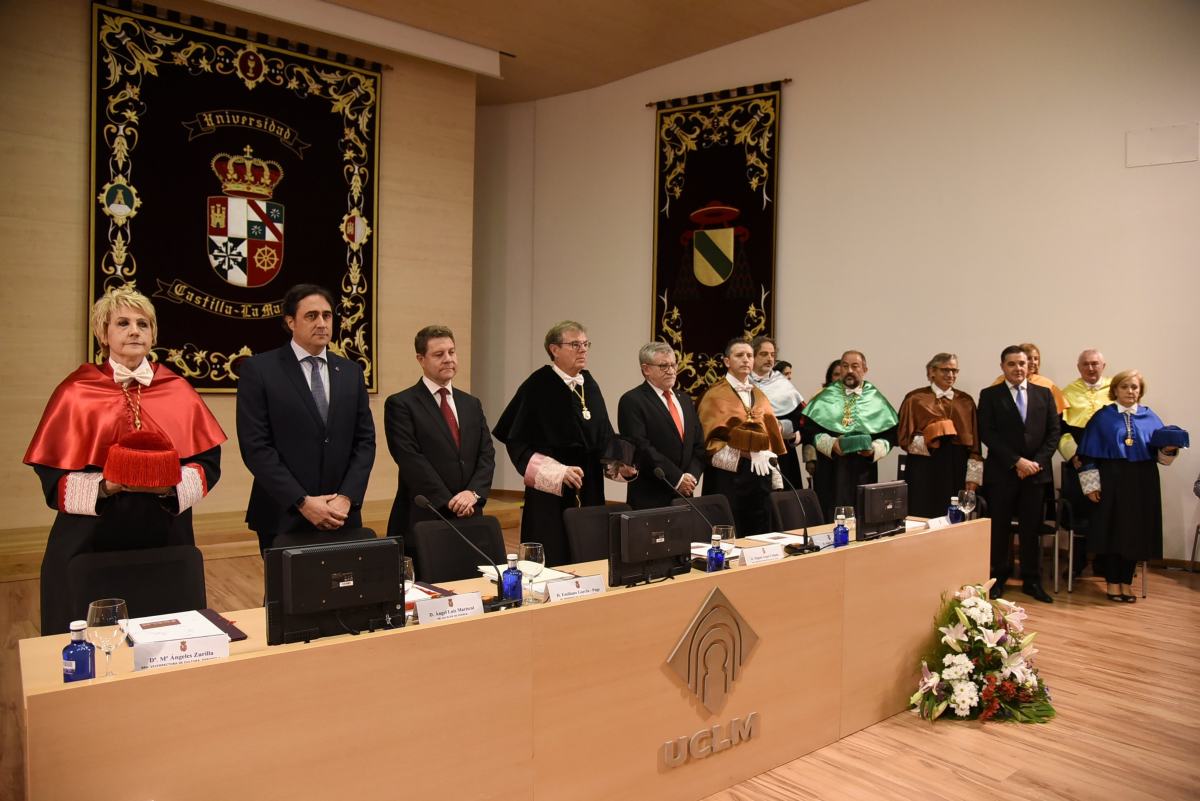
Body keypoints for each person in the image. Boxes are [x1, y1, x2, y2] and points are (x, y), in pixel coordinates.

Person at [24, 286, 226, 634]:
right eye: (123, 323)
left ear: (153, 335)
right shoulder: (75, 391)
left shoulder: (177, 388)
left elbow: (208, 462)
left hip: (163, 535)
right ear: (103, 334)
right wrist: (106, 486)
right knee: (89, 636)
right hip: (91, 538)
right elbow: (51, 472)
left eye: (143, 324)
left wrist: (169, 486)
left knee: (166, 633)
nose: (135, 330)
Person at [236, 284, 376, 552]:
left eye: (327, 315)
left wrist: (346, 497)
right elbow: (256, 446)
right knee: (287, 593)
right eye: (311, 316)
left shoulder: (350, 371)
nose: (322, 323)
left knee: (345, 591)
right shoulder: (260, 370)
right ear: (291, 322)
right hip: (283, 513)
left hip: (341, 513)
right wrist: (302, 501)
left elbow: (365, 441)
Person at [494, 321, 631, 566]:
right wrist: (558, 472)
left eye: (586, 344)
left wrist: (622, 464)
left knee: (589, 553)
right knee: (555, 551)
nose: (583, 350)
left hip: (589, 486)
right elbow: (518, 443)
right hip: (552, 493)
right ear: (554, 349)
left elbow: (604, 434)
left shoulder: (588, 384)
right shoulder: (538, 385)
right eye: (575, 344)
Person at [1078, 370, 1186, 602]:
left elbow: (1162, 456)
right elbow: (1087, 455)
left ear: (1140, 391)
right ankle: (1112, 582)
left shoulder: (1150, 417)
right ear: (1115, 389)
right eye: (1125, 386)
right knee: (1113, 532)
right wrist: (1090, 486)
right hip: (1111, 480)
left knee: (1135, 533)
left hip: (1142, 481)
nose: (1130, 391)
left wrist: (1168, 449)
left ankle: (1126, 582)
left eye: (1134, 387)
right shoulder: (1103, 417)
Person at [384, 325, 495, 548]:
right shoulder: (402, 404)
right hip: (425, 514)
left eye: (451, 352)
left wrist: (473, 494)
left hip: (470, 513)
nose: (448, 359)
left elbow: (486, 454)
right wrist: (450, 502)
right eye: (438, 354)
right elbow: (410, 460)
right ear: (420, 359)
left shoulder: (471, 403)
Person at [977, 345, 1060, 603]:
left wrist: (1035, 463)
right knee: (1000, 528)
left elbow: (1053, 434)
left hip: (1035, 475)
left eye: (1022, 363)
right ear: (1002, 367)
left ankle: (1031, 580)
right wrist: (1016, 462)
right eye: (1012, 364)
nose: (1018, 368)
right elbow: (987, 433)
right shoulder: (990, 395)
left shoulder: (1045, 394)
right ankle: (998, 577)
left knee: (1030, 529)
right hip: (1002, 473)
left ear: (1030, 366)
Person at [697, 338, 786, 536]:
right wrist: (745, 453)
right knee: (729, 532)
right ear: (727, 361)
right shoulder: (713, 395)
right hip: (728, 478)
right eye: (739, 355)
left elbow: (771, 435)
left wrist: (772, 468)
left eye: (749, 356)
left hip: (759, 476)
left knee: (760, 532)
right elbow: (708, 442)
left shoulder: (760, 395)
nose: (746, 360)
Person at [801, 350, 898, 522]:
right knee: (830, 514)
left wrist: (874, 450)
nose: (849, 370)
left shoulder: (876, 399)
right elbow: (809, 431)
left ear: (865, 369)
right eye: (845, 366)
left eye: (855, 366)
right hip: (830, 469)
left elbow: (890, 435)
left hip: (863, 469)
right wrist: (831, 444)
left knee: (863, 514)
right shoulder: (824, 397)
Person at [617, 342, 706, 510]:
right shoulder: (632, 401)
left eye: (673, 364)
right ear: (646, 369)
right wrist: (677, 479)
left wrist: (690, 478)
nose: (671, 371)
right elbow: (641, 447)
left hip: (685, 496)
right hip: (650, 497)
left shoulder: (685, 400)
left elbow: (699, 445)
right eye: (663, 366)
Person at [896, 353, 982, 517]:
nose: (951, 375)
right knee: (920, 514)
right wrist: (931, 439)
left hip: (956, 465)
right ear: (931, 372)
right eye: (945, 370)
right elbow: (903, 438)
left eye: (955, 371)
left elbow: (975, 446)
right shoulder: (915, 399)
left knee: (953, 516)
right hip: (923, 466)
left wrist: (973, 479)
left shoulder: (966, 401)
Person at [1057, 349, 1112, 576]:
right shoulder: (1067, 392)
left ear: (1103, 365)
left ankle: (1105, 562)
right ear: (1078, 367)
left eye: (1095, 364)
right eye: (1086, 364)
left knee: (1108, 510)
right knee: (1080, 512)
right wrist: (1073, 456)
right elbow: (1060, 431)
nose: (1091, 368)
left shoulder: (1115, 389)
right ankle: (1077, 560)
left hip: (1108, 459)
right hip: (1079, 459)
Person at [748, 336, 806, 490]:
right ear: (752, 356)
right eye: (764, 354)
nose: (769, 358)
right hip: (753, 454)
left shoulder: (784, 384)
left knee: (784, 505)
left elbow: (799, 420)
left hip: (783, 453)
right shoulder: (743, 383)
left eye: (772, 355)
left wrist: (781, 427)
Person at [991, 342, 1067, 414]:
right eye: (1029, 358)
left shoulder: (1047, 384)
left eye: (1036, 358)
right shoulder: (1001, 381)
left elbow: (1056, 414)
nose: (1033, 362)